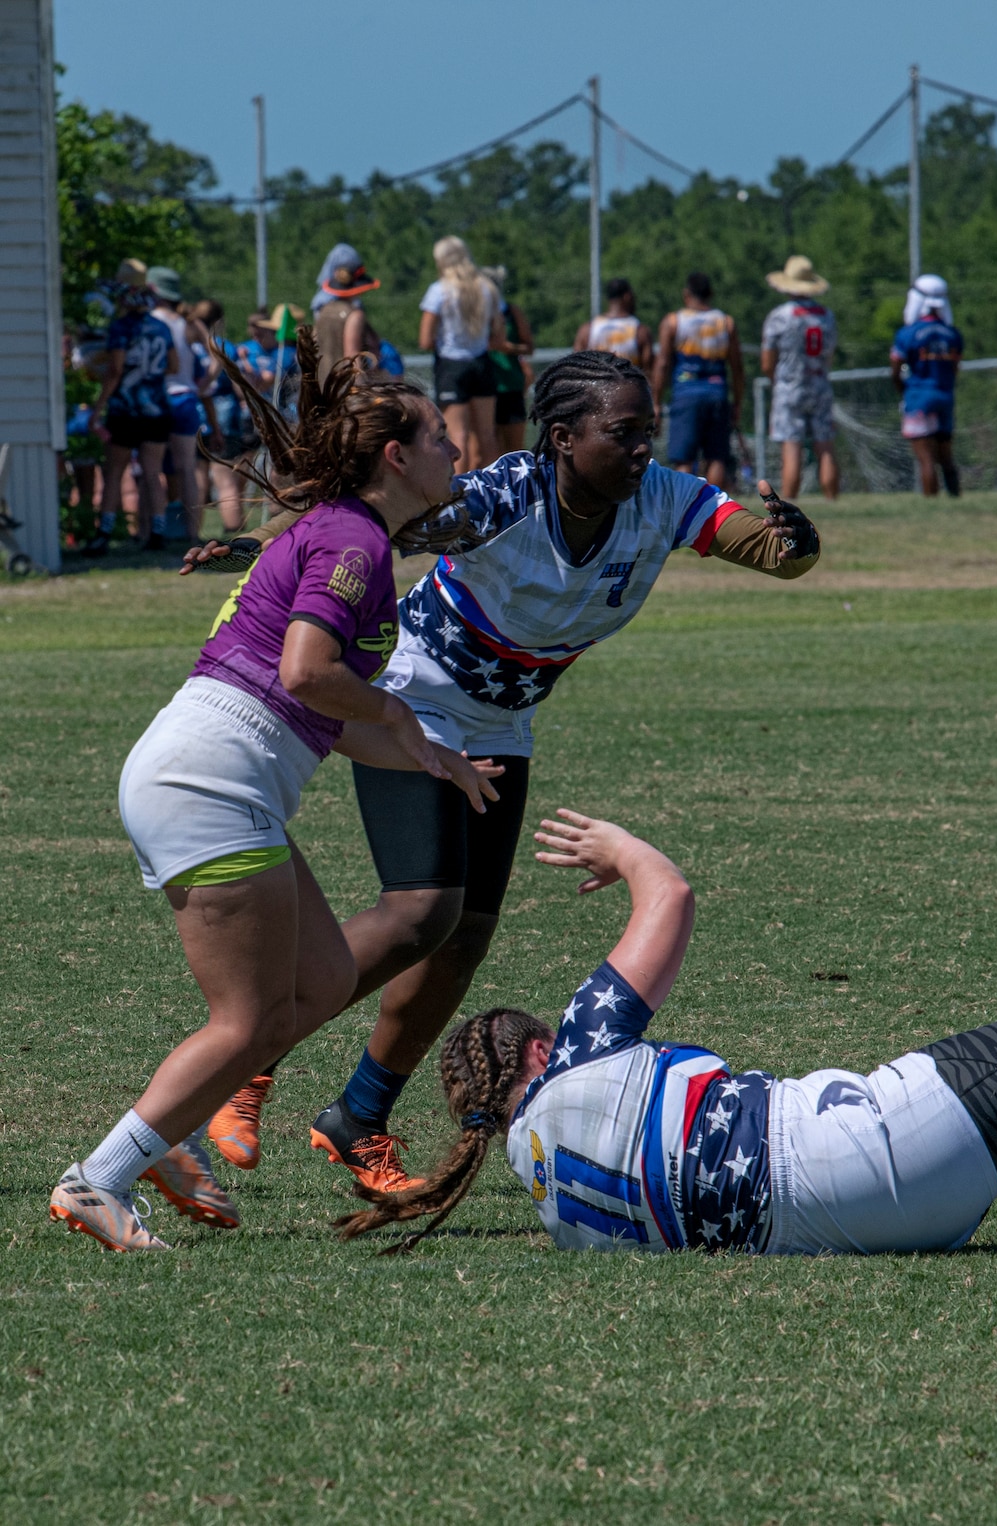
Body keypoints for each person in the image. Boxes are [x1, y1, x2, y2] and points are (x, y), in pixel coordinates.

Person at [187, 351, 823, 1197]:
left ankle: (357, 1120)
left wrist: (798, 541)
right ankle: (250, 1062)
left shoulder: (666, 501)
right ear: (563, 438)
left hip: (502, 725)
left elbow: (779, 555)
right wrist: (255, 546)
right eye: (622, 433)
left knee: (464, 934)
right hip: (414, 697)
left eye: (648, 432)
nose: (642, 449)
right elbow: (369, 526)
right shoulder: (503, 497)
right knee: (422, 910)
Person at [334, 808, 997, 1259]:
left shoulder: (546, 1195)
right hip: (859, 1154)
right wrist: (624, 848)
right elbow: (671, 895)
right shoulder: (575, 1050)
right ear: (533, 1054)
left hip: (860, 1220)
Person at [49, 331, 500, 1252]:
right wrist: (403, 718)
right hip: (206, 780)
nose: (458, 453)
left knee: (327, 978)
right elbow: (307, 673)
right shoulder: (354, 541)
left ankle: (160, 1137)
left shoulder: (348, 531)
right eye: (443, 440)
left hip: (217, 778)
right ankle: (98, 1179)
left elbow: (333, 719)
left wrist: (432, 756)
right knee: (247, 1018)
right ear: (396, 455)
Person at [83, 261, 173, 554]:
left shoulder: (121, 328)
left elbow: (115, 370)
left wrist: (98, 408)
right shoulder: (161, 327)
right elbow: (174, 365)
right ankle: (158, 532)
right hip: (157, 408)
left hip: (125, 408)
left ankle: (104, 533)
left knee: (114, 472)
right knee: (152, 472)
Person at [419, 236, 506, 471]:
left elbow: (425, 340)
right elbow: (499, 336)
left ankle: (459, 494)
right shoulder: (487, 288)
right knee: (487, 435)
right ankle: (496, 490)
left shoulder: (439, 291)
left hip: (452, 365)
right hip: (482, 363)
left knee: (459, 435)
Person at [761, 255, 840, 501]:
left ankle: (790, 501)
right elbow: (829, 355)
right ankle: (832, 498)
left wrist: (777, 379)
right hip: (819, 383)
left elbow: (767, 362)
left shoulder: (780, 316)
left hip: (789, 386)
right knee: (824, 445)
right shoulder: (826, 316)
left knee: (791, 446)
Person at [657, 272, 745, 487]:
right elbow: (737, 367)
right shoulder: (725, 322)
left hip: (686, 393)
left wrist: (656, 400)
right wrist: (737, 402)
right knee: (716, 457)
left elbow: (663, 364)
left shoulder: (674, 322)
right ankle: (716, 510)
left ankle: (684, 510)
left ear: (686, 295)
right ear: (711, 294)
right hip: (717, 392)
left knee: (684, 459)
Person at [890, 274, 964, 498]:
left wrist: (903, 390)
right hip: (945, 396)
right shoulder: (952, 334)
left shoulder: (908, 333)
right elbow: (955, 367)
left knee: (926, 458)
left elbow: (895, 366)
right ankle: (955, 498)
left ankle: (931, 502)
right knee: (946, 456)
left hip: (919, 396)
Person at [149, 267, 208, 543]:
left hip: (157, 398)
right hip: (186, 396)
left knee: (150, 469)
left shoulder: (149, 320)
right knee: (187, 468)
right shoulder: (188, 323)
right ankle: (192, 533)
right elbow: (217, 352)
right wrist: (204, 383)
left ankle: (150, 529)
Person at [190, 299, 251, 536]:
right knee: (224, 477)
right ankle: (233, 527)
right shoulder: (224, 347)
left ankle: (191, 530)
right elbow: (238, 385)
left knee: (197, 474)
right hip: (224, 414)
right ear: (219, 322)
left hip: (195, 415)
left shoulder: (191, 347)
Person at [310, 242, 384, 383]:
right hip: (345, 387)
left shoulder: (323, 310)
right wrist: (360, 389)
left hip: (322, 385)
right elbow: (352, 355)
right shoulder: (354, 314)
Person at [486, 266, 535, 455]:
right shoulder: (477, 315)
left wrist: (507, 347)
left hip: (510, 386)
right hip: (485, 387)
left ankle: (517, 484)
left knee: (514, 450)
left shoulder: (511, 312)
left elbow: (528, 347)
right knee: (489, 449)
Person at [575, 278, 653, 377]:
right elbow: (647, 371)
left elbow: (576, 367)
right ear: (627, 296)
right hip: (628, 390)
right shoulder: (640, 331)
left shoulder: (587, 330)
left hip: (595, 389)